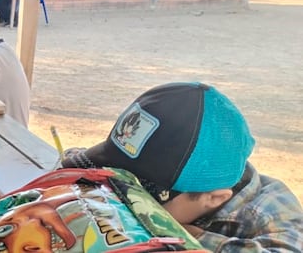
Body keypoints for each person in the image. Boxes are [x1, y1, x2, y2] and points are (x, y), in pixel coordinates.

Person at [61, 82, 303, 252]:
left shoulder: (268, 214)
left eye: (139, 198)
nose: (116, 197)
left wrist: (185, 235)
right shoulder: (138, 154)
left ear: (213, 198)